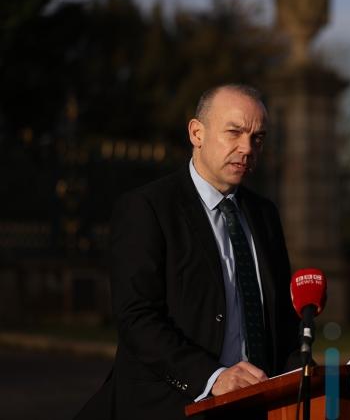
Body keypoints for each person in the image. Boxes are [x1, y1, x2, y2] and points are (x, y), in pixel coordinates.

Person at [75, 84, 299, 419]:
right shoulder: (147, 208)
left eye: (258, 138)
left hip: (256, 405)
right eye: (234, 132)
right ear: (197, 133)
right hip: (170, 405)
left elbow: (281, 319)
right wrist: (213, 378)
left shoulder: (264, 214)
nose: (247, 148)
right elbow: (137, 319)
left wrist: (302, 377)